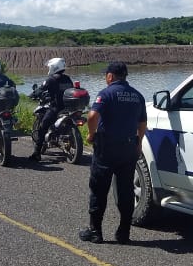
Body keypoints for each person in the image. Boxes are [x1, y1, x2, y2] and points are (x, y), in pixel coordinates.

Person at [78, 61, 146, 245]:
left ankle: (95, 232)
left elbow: (92, 116)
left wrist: (91, 134)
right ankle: (124, 232)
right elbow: (142, 124)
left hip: (106, 148)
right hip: (128, 148)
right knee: (126, 191)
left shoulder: (106, 93)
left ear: (110, 76)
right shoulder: (138, 96)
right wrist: (139, 143)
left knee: (99, 189)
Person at [29, 57, 73, 162]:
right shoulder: (67, 78)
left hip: (56, 108)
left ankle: (36, 154)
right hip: (68, 108)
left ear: (54, 67)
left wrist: (32, 95)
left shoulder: (51, 79)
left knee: (42, 127)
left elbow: (40, 89)